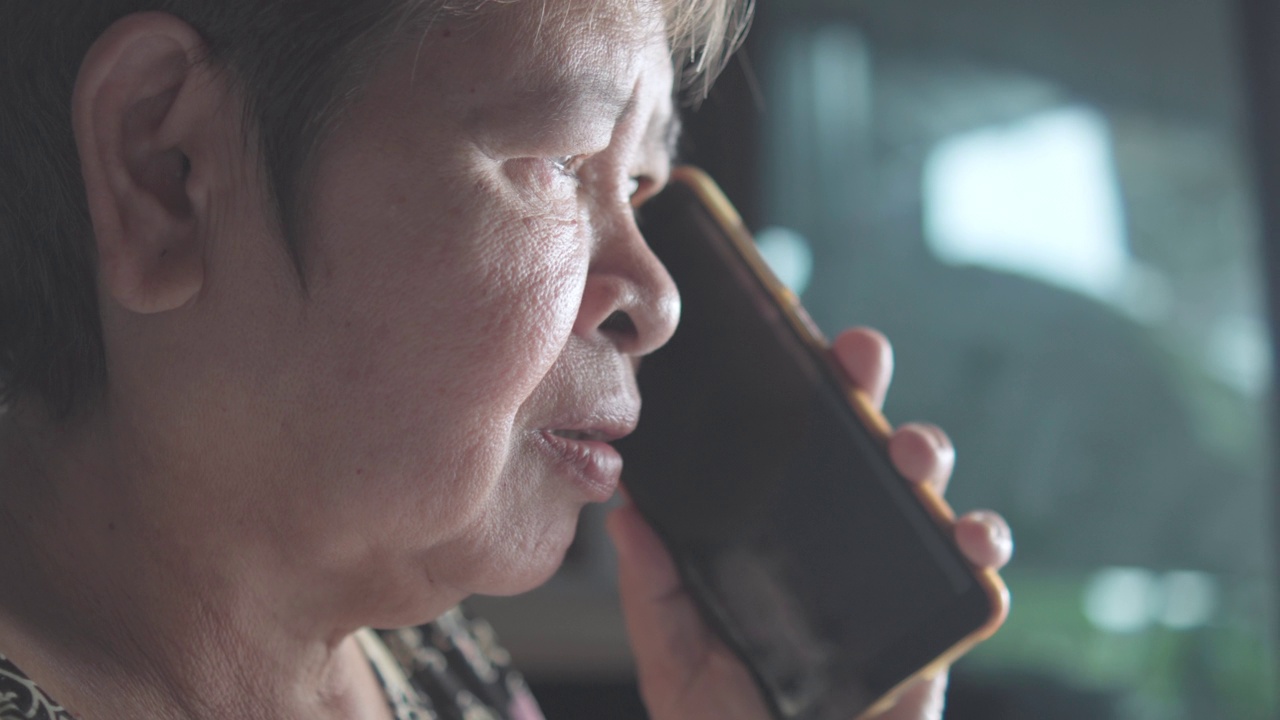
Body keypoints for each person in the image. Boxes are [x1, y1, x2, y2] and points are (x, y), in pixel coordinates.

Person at [0, 1, 1013, 718]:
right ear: (165, 169)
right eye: (564, 163)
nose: (656, 301)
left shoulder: (423, 660)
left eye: (645, 184)